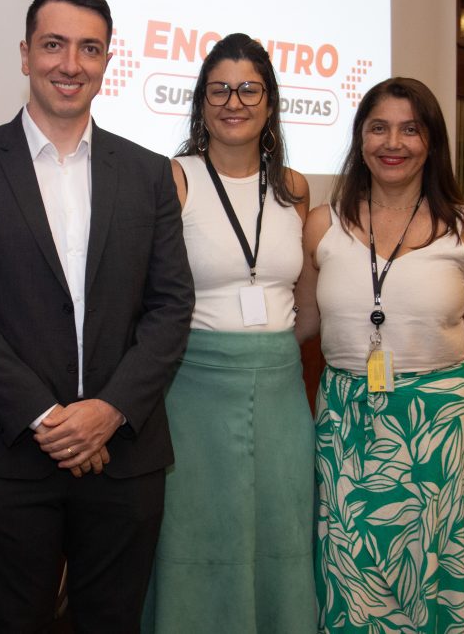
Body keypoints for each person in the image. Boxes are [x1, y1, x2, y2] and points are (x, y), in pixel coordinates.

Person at [0, 0, 194, 633]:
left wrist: (108, 410)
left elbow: (170, 305)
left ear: (107, 62)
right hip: (8, 453)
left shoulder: (149, 173)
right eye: (53, 45)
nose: (70, 64)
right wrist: (46, 417)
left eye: (89, 49)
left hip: (123, 454)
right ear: (25, 54)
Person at [297, 77, 464, 632]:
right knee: (353, 580)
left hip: (444, 437)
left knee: (434, 585)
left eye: (410, 129)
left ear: (431, 141)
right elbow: (299, 324)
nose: (392, 143)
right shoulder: (323, 225)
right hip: (347, 432)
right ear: (360, 138)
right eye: (379, 128)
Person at [141, 33, 316, 633]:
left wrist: (272, 354)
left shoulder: (294, 188)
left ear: (270, 103)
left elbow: (303, 297)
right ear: (201, 102)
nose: (233, 102)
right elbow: (149, 297)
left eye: (248, 89)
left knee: (283, 530)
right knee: (196, 534)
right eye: (219, 90)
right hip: (194, 393)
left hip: (281, 393)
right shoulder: (175, 178)